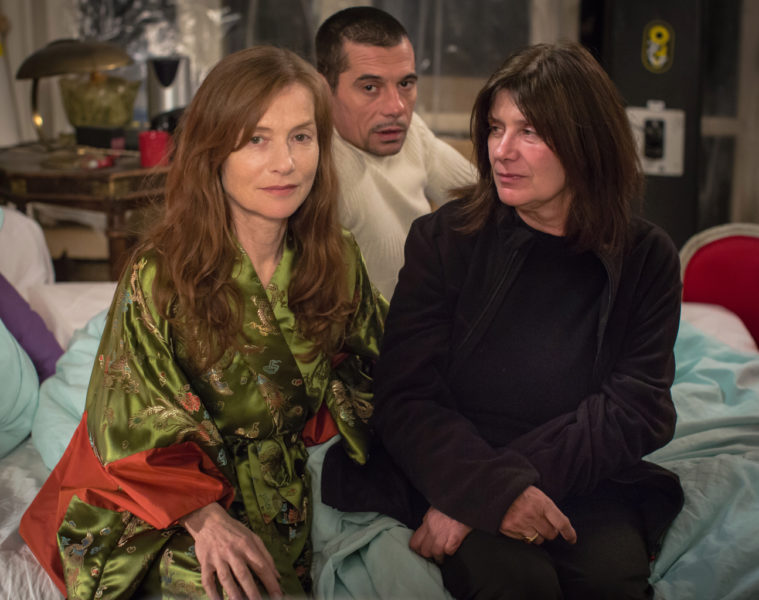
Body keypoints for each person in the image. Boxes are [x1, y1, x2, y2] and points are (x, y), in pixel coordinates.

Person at [20, 45, 387, 600]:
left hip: (297, 484)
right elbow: (130, 420)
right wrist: (204, 516)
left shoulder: (337, 254)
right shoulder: (159, 274)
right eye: (257, 139)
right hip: (172, 503)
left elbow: (382, 367)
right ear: (213, 151)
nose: (285, 163)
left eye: (301, 137)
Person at [323, 41, 685, 599]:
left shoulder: (646, 256)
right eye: (496, 128)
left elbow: (638, 409)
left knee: (611, 584)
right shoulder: (445, 240)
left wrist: (503, 488)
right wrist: (485, 489)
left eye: (530, 132)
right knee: (516, 584)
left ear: (586, 142)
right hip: (456, 463)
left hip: (584, 473)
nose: (502, 151)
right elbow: (406, 396)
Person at [315, 6, 476, 299]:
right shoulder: (310, 160)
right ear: (324, 89)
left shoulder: (409, 130)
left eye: (405, 84)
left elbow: (484, 203)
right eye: (370, 87)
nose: (396, 107)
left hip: (424, 316)